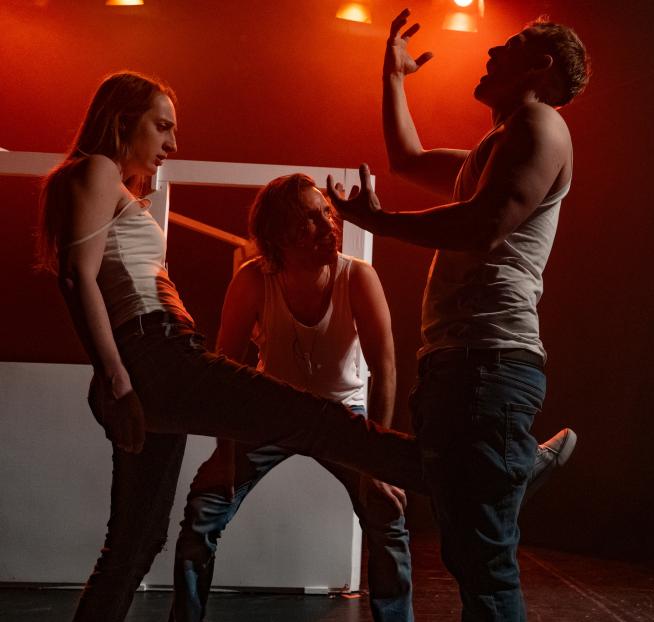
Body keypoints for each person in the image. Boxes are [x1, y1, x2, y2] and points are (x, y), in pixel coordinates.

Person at [36, 71, 425, 622]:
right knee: (312, 417)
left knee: (135, 544)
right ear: (122, 121)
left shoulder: (109, 186)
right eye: (162, 126)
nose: (172, 143)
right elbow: (76, 277)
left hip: (153, 360)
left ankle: (460, 473)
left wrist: (122, 376)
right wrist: (116, 378)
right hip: (157, 355)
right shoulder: (96, 169)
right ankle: (469, 474)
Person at [327, 9, 590, 620]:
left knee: (484, 564)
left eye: (511, 45)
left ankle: (513, 468)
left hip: (487, 362)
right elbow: (407, 159)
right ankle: (517, 468)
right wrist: (393, 78)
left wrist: (380, 223)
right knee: (469, 542)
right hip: (464, 360)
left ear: (541, 66)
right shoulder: (496, 147)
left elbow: (483, 225)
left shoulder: (540, 124)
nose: (492, 51)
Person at [169, 173, 413, 621]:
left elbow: (386, 369)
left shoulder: (357, 277)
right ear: (279, 234)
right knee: (204, 508)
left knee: (386, 512)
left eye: (327, 213)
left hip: (343, 412)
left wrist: (377, 464)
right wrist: (225, 454)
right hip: (273, 410)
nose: (328, 226)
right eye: (311, 219)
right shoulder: (253, 279)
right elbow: (225, 370)